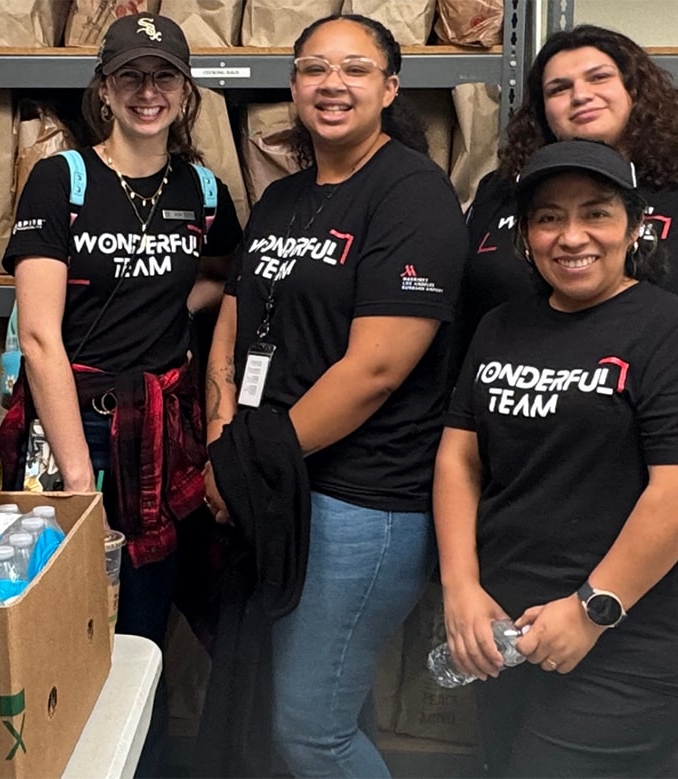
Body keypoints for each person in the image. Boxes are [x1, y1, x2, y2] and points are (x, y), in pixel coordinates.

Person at [201, 14, 467, 777]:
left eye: (355, 69)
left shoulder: (413, 195)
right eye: (315, 68)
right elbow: (235, 315)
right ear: (293, 86)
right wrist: (225, 436)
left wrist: (247, 464)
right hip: (278, 483)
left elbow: (375, 369)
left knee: (311, 730)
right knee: (281, 710)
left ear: (389, 88)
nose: (332, 84)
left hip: (361, 503)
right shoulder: (284, 199)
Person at [434, 139, 678, 778]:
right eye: (548, 218)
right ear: (527, 236)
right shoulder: (500, 327)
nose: (572, 236)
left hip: (629, 637)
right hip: (504, 628)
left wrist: (595, 606)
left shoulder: (663, 329)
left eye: (596, 213)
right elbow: (461, 459)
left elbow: (673, 490)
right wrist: (461, 587)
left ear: (633, 225)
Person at [0, 13, 241, 645]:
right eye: (129, 75)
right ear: (103, 89)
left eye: (165, 76)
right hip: (72, 432)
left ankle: (144, 745)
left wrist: (170, 306)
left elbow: (225, 273)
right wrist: (79, 480)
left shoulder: (204, 191)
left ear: (186, 93)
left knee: (140, 630)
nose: (147, 90)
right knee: (63, 625)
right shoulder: (62, 182)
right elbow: (39, 337)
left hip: (160, 434)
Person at [460, 24, 678, 352]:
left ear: (635, 89)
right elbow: (467, 307)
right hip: (514, 382)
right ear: (542, 111)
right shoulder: (504, 187)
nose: (580, 95)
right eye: (558, 89)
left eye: (599, 77)